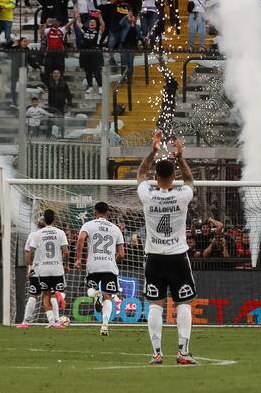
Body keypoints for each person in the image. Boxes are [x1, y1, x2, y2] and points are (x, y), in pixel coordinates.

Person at [137, 130, 197, 365]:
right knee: (183, 303)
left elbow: (141, 173)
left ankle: (157, 353)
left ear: (156, 176)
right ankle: (182, 352)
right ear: (174, 175)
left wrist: (153, 151)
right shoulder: (182, 196)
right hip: (178, 257)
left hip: (154, 257)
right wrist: (180, 157)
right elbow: (190, 181)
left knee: (155, 304)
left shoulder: (148, 196)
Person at [75, 201, 125, 336]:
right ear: (108, 213)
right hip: (109, 265)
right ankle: (104, 325)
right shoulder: (115, 228)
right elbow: (122, 254)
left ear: (95, 213)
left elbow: (80, 240)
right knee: (108, 296)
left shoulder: (88, 225)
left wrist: (79, 259)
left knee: (91, 290)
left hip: (93, 264)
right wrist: (114, 259)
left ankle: (96, 295)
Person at [25, 209, 69, 328]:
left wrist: (30, 268)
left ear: (44, 219)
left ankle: (52, 322)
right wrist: (66, 264)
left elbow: (30, 252)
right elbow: (65, 252)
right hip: (57, 269)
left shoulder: (37, 234)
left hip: (43, 269)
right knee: (55, 294)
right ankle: (57, 321)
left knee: (46, 295)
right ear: (54, 219)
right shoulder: (60, 232)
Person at [18, 217, 46, 327]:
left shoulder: (33, 235)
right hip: (50, 270)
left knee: (33, 295)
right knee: (51, 294)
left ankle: (26, 321)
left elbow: (27, 253)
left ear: (37, 225)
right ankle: (55, 321)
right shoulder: (55, 235)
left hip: (36, 269)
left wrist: (29, 268)